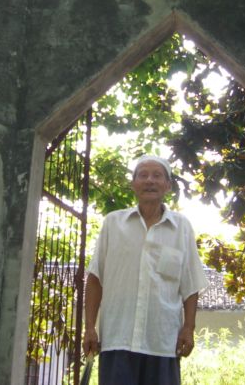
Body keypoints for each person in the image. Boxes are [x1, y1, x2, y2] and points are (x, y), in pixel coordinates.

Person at [83, 155, 209, 385]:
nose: (150, 180)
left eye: (157, 175)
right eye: (143, 175)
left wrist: (189, 328)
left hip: (162, 342)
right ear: (133, 184)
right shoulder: (113, 223)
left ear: (168, 185)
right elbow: (95, 279)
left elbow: (190, 285)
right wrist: (89, 327)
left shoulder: (181, 228)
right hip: (117, 340)